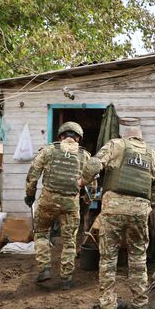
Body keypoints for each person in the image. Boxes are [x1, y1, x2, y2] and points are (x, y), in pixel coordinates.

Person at [80, 117, 155, 309]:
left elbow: (93, 164)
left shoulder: (116, 145)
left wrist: (82, 181)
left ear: (125, 135)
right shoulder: (152, 154)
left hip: (113, 209)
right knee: (138, 258)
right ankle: (140, 307)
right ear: (140, 137)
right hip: (140, 212)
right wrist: (145, 206)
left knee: (108, 259)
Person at [24, 121, 90, 290]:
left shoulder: (48, 150)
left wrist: (30, 195)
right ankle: (66, 279)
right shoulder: (85, 156)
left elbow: (33, 175)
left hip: (47, 201)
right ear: (78, 138)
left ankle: (44, 270)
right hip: (70, 202)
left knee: (41, 234)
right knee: (69, 241)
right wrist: (85, 200)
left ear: (61, 136)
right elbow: (91, 183)